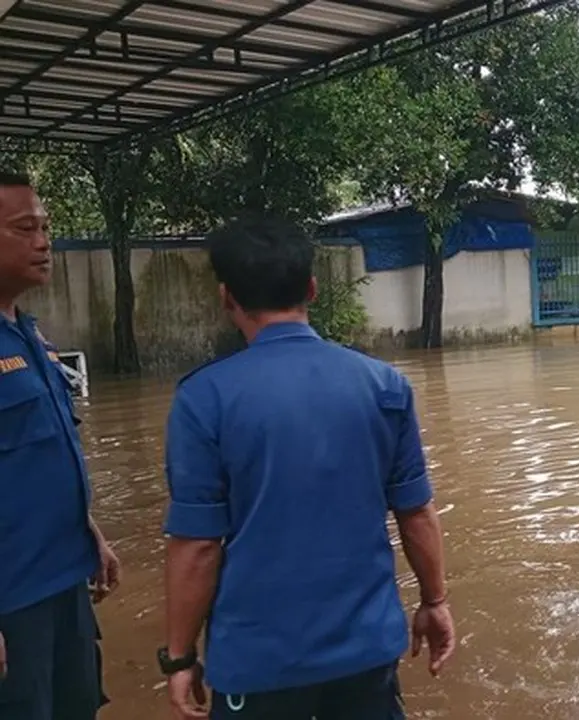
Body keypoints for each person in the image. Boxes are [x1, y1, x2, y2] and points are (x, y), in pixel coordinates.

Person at [161, 215, 456, 720]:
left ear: (226, 296)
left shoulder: (204, 399)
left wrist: (180, 655)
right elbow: (417, 514)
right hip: (366, 652)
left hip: (258, 662)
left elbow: (199, 545)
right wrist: (434, 601)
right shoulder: (383, 386)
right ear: (313, 289)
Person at [0, 171, 120, 720]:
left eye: (46, 226)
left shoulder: (28, 333)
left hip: (64, 579)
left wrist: (88, 529)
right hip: (12, 600)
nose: (44, 241)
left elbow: (39, 450)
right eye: (25, 228)